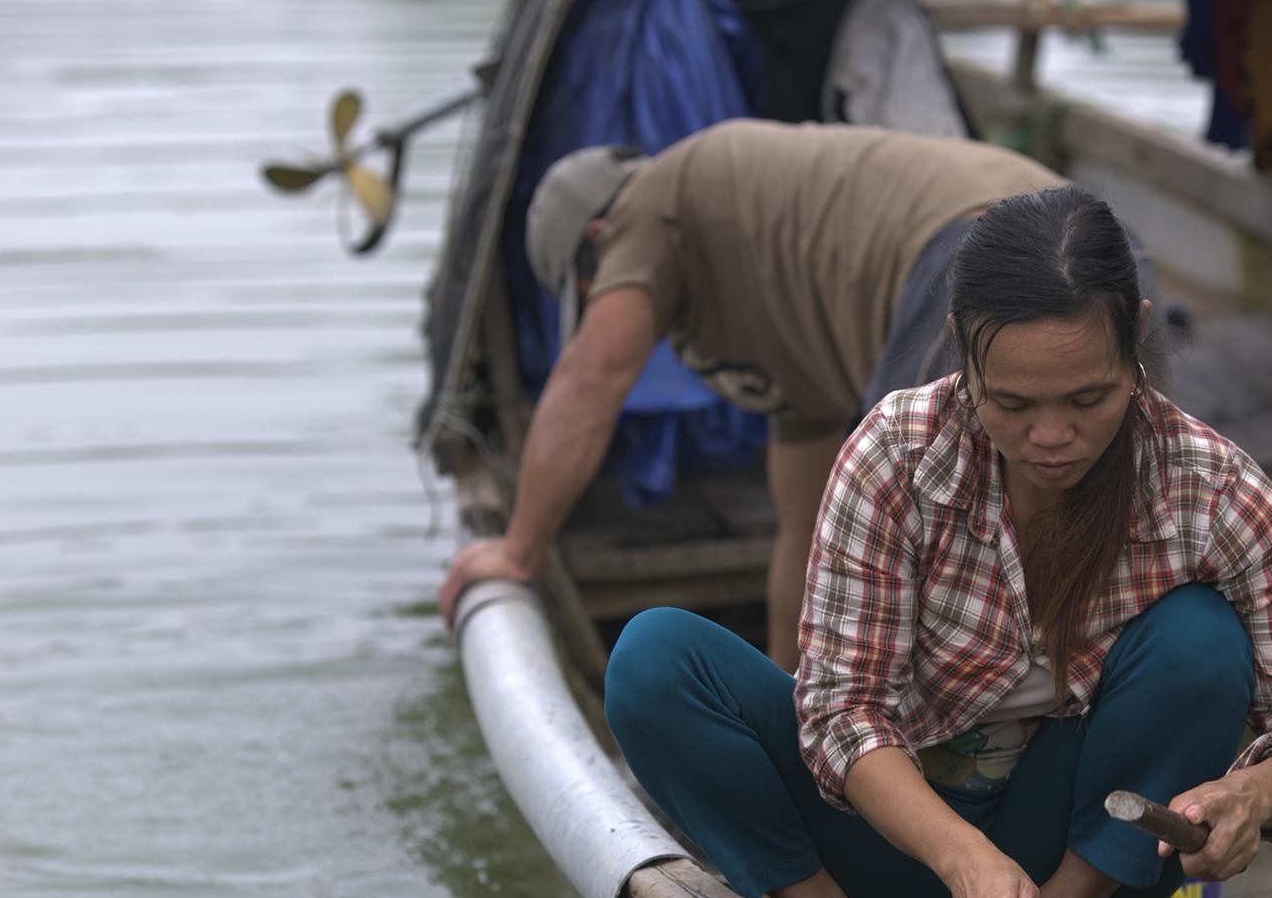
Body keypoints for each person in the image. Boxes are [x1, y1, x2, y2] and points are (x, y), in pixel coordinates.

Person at [602, 186, 1272, 898]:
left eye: (1088, 398)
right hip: (885, 845)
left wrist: (1251, 794)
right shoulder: (895, 456)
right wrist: (964, 855)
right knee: (654, 658)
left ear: (1137, 335)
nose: (1052, 437)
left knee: (1200, 637)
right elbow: (841, 713)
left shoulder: (1215, 493)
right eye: (1012, 403)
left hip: (1089, 848)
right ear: (962, 348)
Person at [437, 119, 1066, 668]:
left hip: (987, 249)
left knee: (939, 552)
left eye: (595, 287)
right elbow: (807, 532)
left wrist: (518, 553)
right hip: (1085, 236)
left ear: (602, 240)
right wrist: (780, 689)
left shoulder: (649, 205)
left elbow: (589, 378)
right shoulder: (781, 303)